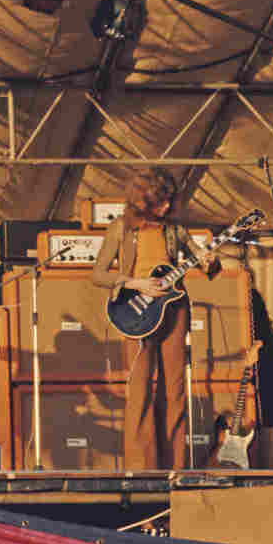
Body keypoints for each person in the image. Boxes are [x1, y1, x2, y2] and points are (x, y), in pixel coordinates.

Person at [92, 168, 219, 470]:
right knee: (139, 392)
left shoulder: (175, 230)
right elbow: (97, 274)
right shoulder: (121, 228)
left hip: (174, 310)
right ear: (143, 199)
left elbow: (208, 269)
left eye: (169, 201)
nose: (165, 207)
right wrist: (134, 283)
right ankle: (141, 471)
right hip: (136, 312)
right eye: (160, 201)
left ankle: (174, 469)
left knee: (174, 390)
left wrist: (210, 262)